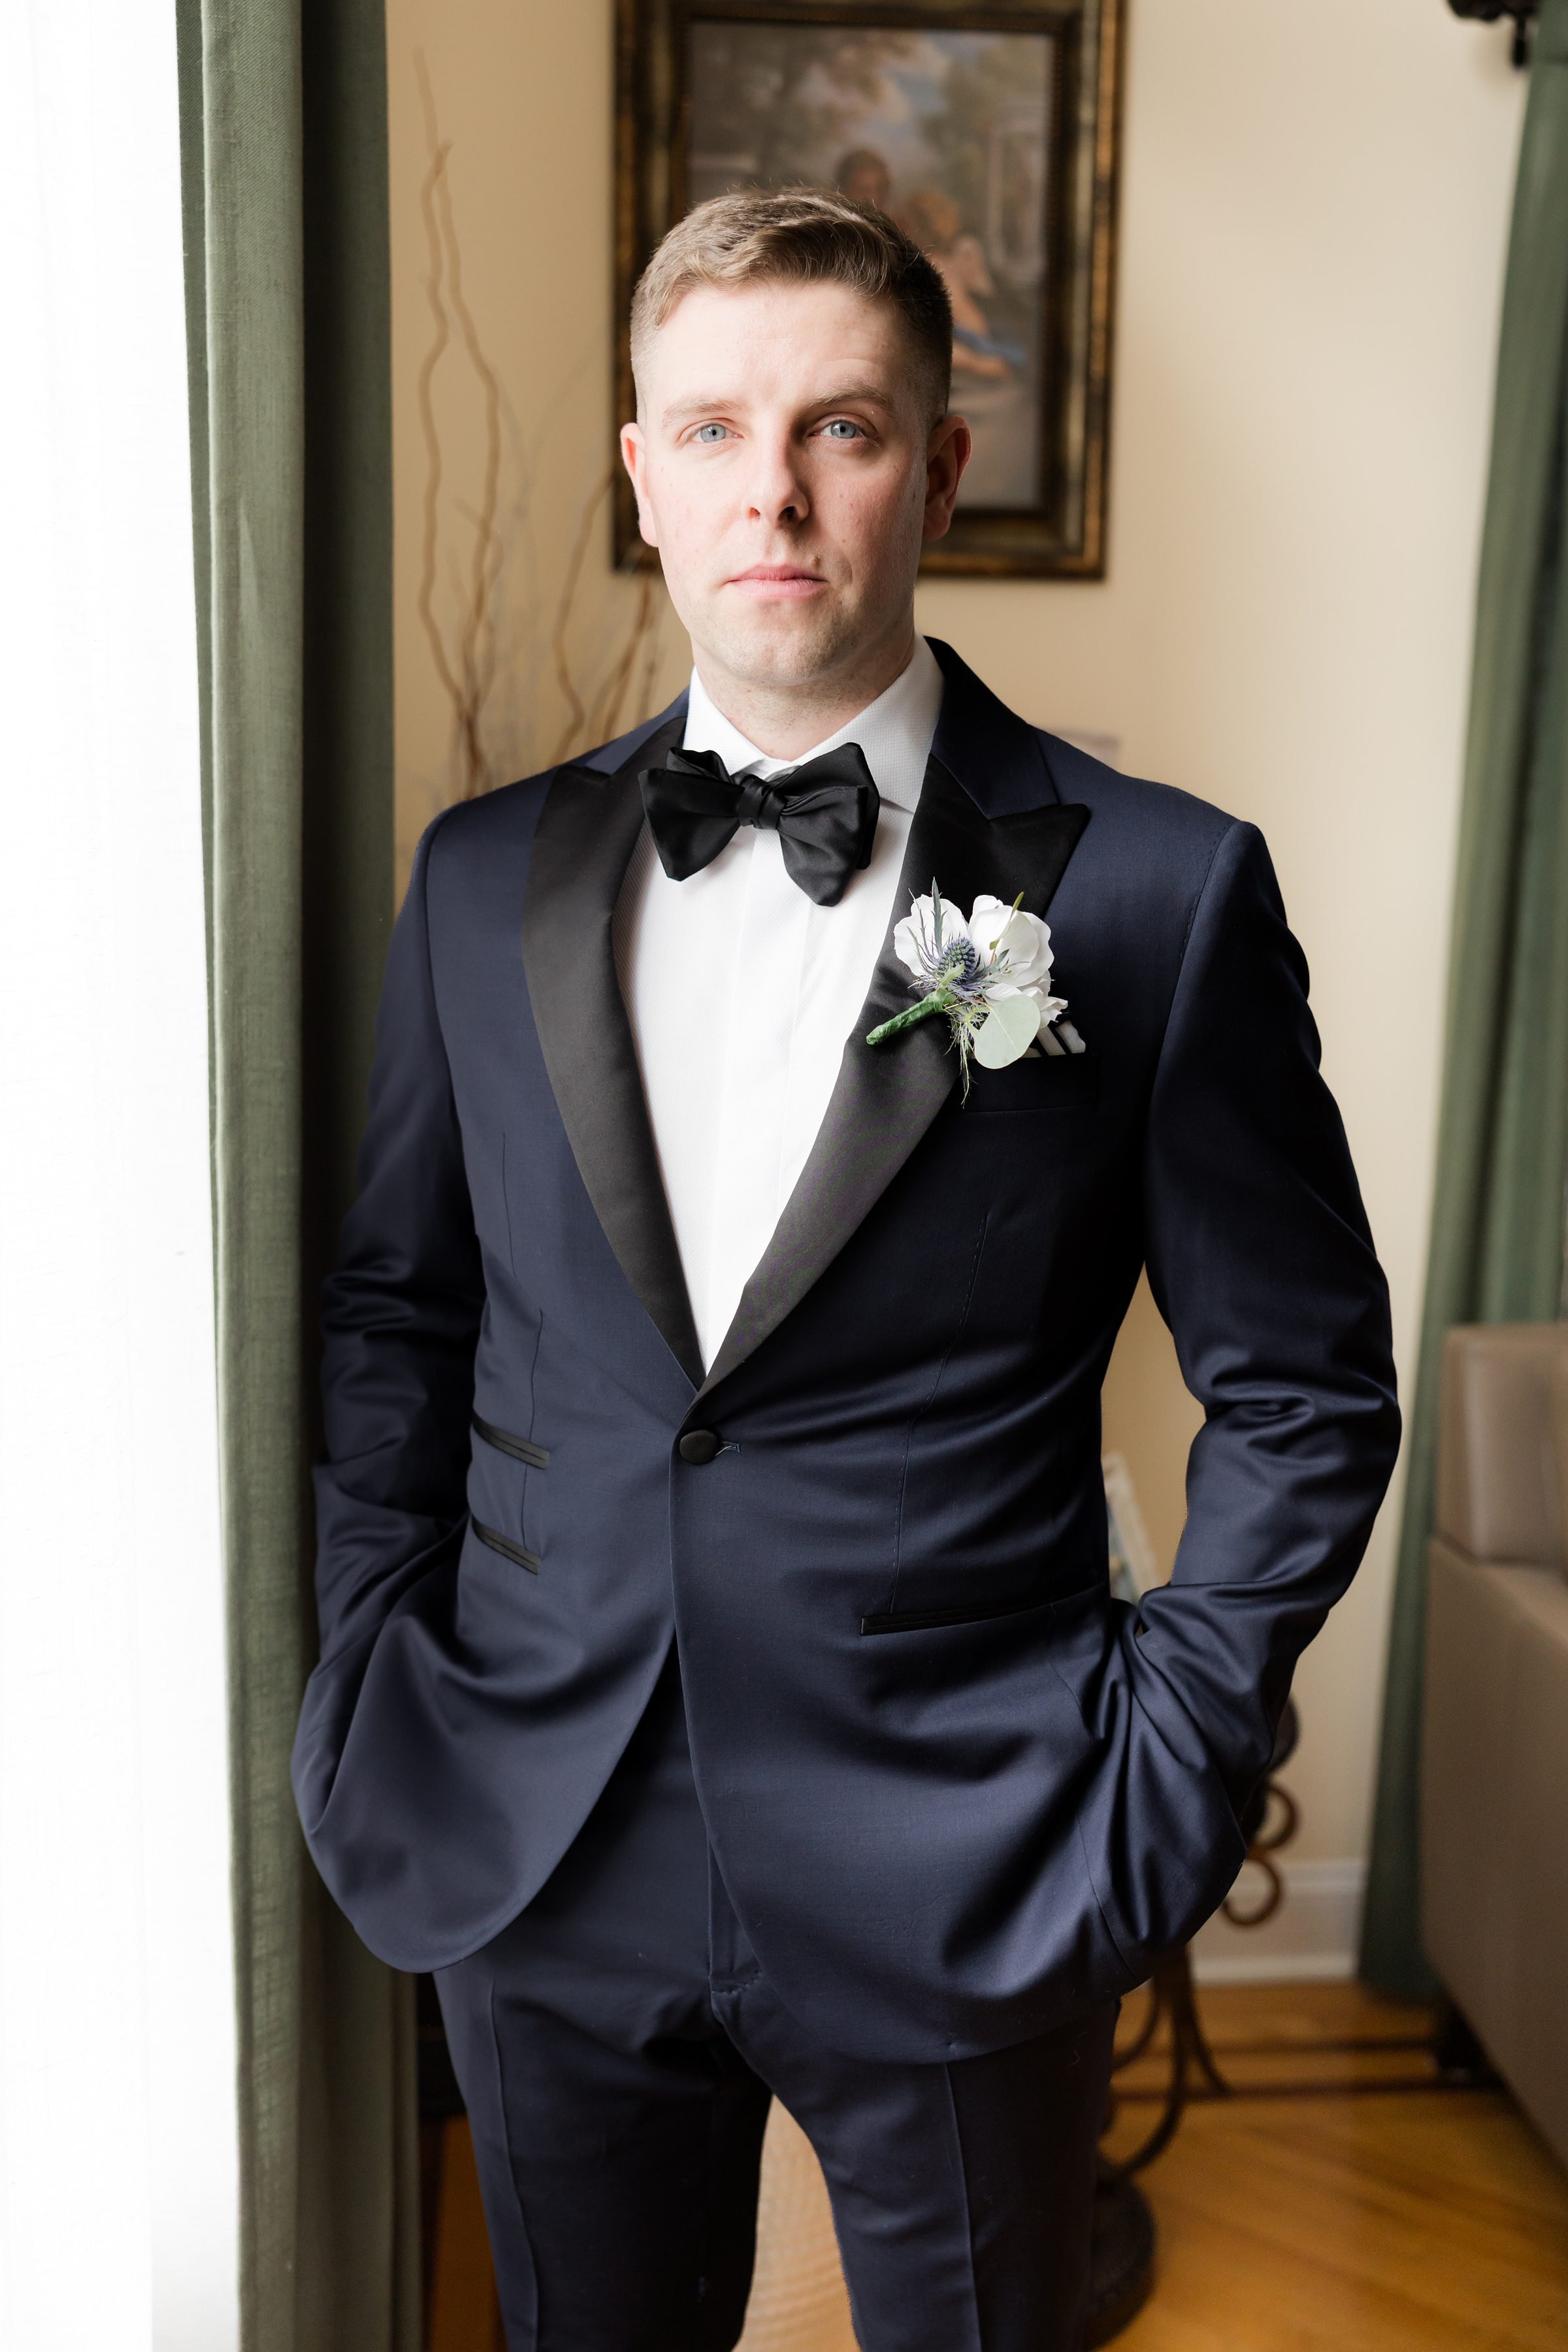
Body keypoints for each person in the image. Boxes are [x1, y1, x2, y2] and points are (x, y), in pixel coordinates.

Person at [293, 188, 1399, 2351]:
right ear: (642, 473)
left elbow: (1305, 1387)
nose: (771, 489)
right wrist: (372, 1672)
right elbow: (398, 1322)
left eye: (841, 426)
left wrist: (1168, 1758)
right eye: (709, 429)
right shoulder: (478, 875)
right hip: (537, 1821)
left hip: (975, 1837)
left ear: (942, 466)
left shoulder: (1162, 894)